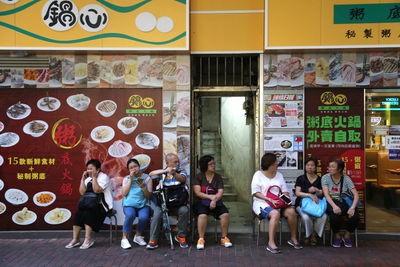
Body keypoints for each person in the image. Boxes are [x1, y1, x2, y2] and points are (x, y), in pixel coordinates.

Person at [251, 153, 302, 254]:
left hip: (278, 203)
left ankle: (293, 238)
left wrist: (286, 199)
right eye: (275, 163)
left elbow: (284, 191)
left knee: (291, 211)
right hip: (262, 203)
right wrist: (269, 199)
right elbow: (255, 193)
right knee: (275, 214)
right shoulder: (258, 175)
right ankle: (271, 243)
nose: (277, 164)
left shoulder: (279, 175)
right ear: (268, 164)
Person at [65, 159, 113, 249]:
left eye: (91, 169)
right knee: (79, 213)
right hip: (89, 204)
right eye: (88, 169)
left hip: (102, 205)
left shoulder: (104, 177)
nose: (89, 171)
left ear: (98, 169)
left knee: (88, 212)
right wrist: (82, 179)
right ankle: (75, 239)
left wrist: (94, 178)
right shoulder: (88, 179)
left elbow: (97, 190)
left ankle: (88, 239)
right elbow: (82, 192)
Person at [146, 153, 190, 249]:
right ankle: (153, 240)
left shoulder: (181, 171)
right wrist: (166, 171)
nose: (177, 163)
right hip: (163, 203)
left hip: (177, 202)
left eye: (178, 161)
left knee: (185, 210)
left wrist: (174, 173)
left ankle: (181, 236)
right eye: (175, 162)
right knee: (157, 214)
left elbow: (182, 179)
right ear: (167, 163)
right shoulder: (163, 172)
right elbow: (150, 174)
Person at [193, 155, 233, 250]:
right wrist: (210, 197)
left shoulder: (218, 177)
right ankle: (201, 238)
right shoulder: (199, 177)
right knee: (202, 215)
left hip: (216, 201)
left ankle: (224, 238)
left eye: (214, 163)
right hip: (201, 202)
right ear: (204, 165)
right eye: (211, 164)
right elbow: (197, 193)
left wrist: (214, 200)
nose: (214, 165)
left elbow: (220, 192)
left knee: (225, 214)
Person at [322, 158, 360, 248]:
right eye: (329, 166)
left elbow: (356, 195)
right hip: (331, 202)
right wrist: (334, 206)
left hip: (344, 201)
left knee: (355, 216)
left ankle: (347, 234)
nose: (329, 168)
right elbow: (326, 195)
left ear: (339, 169)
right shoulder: (325, 177)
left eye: (332, 167)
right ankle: (337, 235)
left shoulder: (346, 179)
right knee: (334, 216)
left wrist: (352, 208)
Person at [120, 159, 152, 249]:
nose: (134, 169)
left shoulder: (147, 178)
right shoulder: (126, 178)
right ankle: (124, 238)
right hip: (129, 204)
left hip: (142, 204)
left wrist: (143, 187)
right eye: (131, 168)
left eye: (135, 166)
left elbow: (149, 196)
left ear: (139, 166)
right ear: (129, 170)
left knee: (144, 217)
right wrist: (131, 179)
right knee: (130, 215)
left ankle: (138, 236)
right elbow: (124, 193)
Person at [295, 158, 327, 245]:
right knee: (305, 217)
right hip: (302, 204)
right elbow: (297, 193)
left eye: (312, 165)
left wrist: (317, 190)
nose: (310, 167)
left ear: (315, 167)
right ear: (305, 167)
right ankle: (307, 235)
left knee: (323, 216)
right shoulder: (301, 178)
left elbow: (323, 193)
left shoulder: (320, 179)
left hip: (316, 204)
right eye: (308, 165)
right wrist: (309, 194)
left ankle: (314, 234)